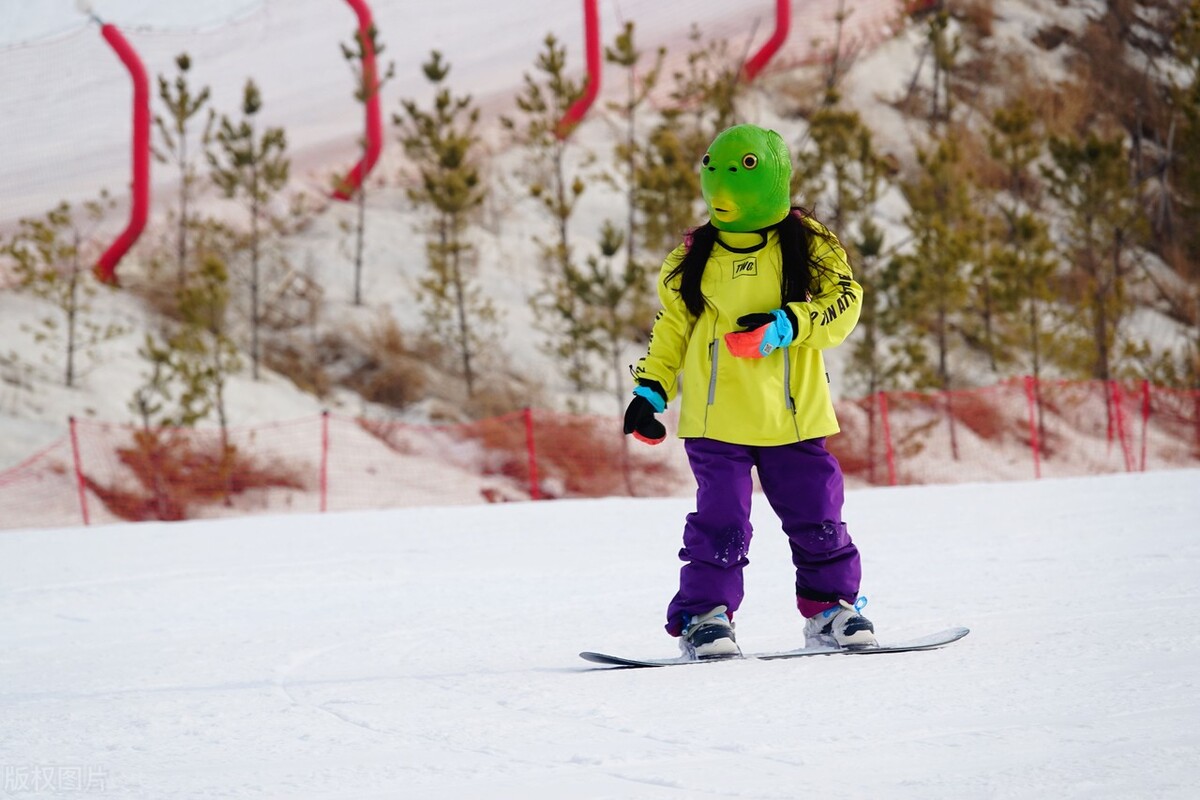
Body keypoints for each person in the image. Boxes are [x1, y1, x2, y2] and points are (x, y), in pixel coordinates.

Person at [623, 123, 876, 659]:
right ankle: (705, 617)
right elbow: (672, 328)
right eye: (713, 174)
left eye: (736, 176)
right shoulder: (693, 257)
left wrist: (790, 323)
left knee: (818, 516)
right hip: (717, 420)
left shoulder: (808, 243)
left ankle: (832, 608)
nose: (721, 193)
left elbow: (845, 301)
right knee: (723, 524)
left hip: (795, 414)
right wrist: (650, 390)